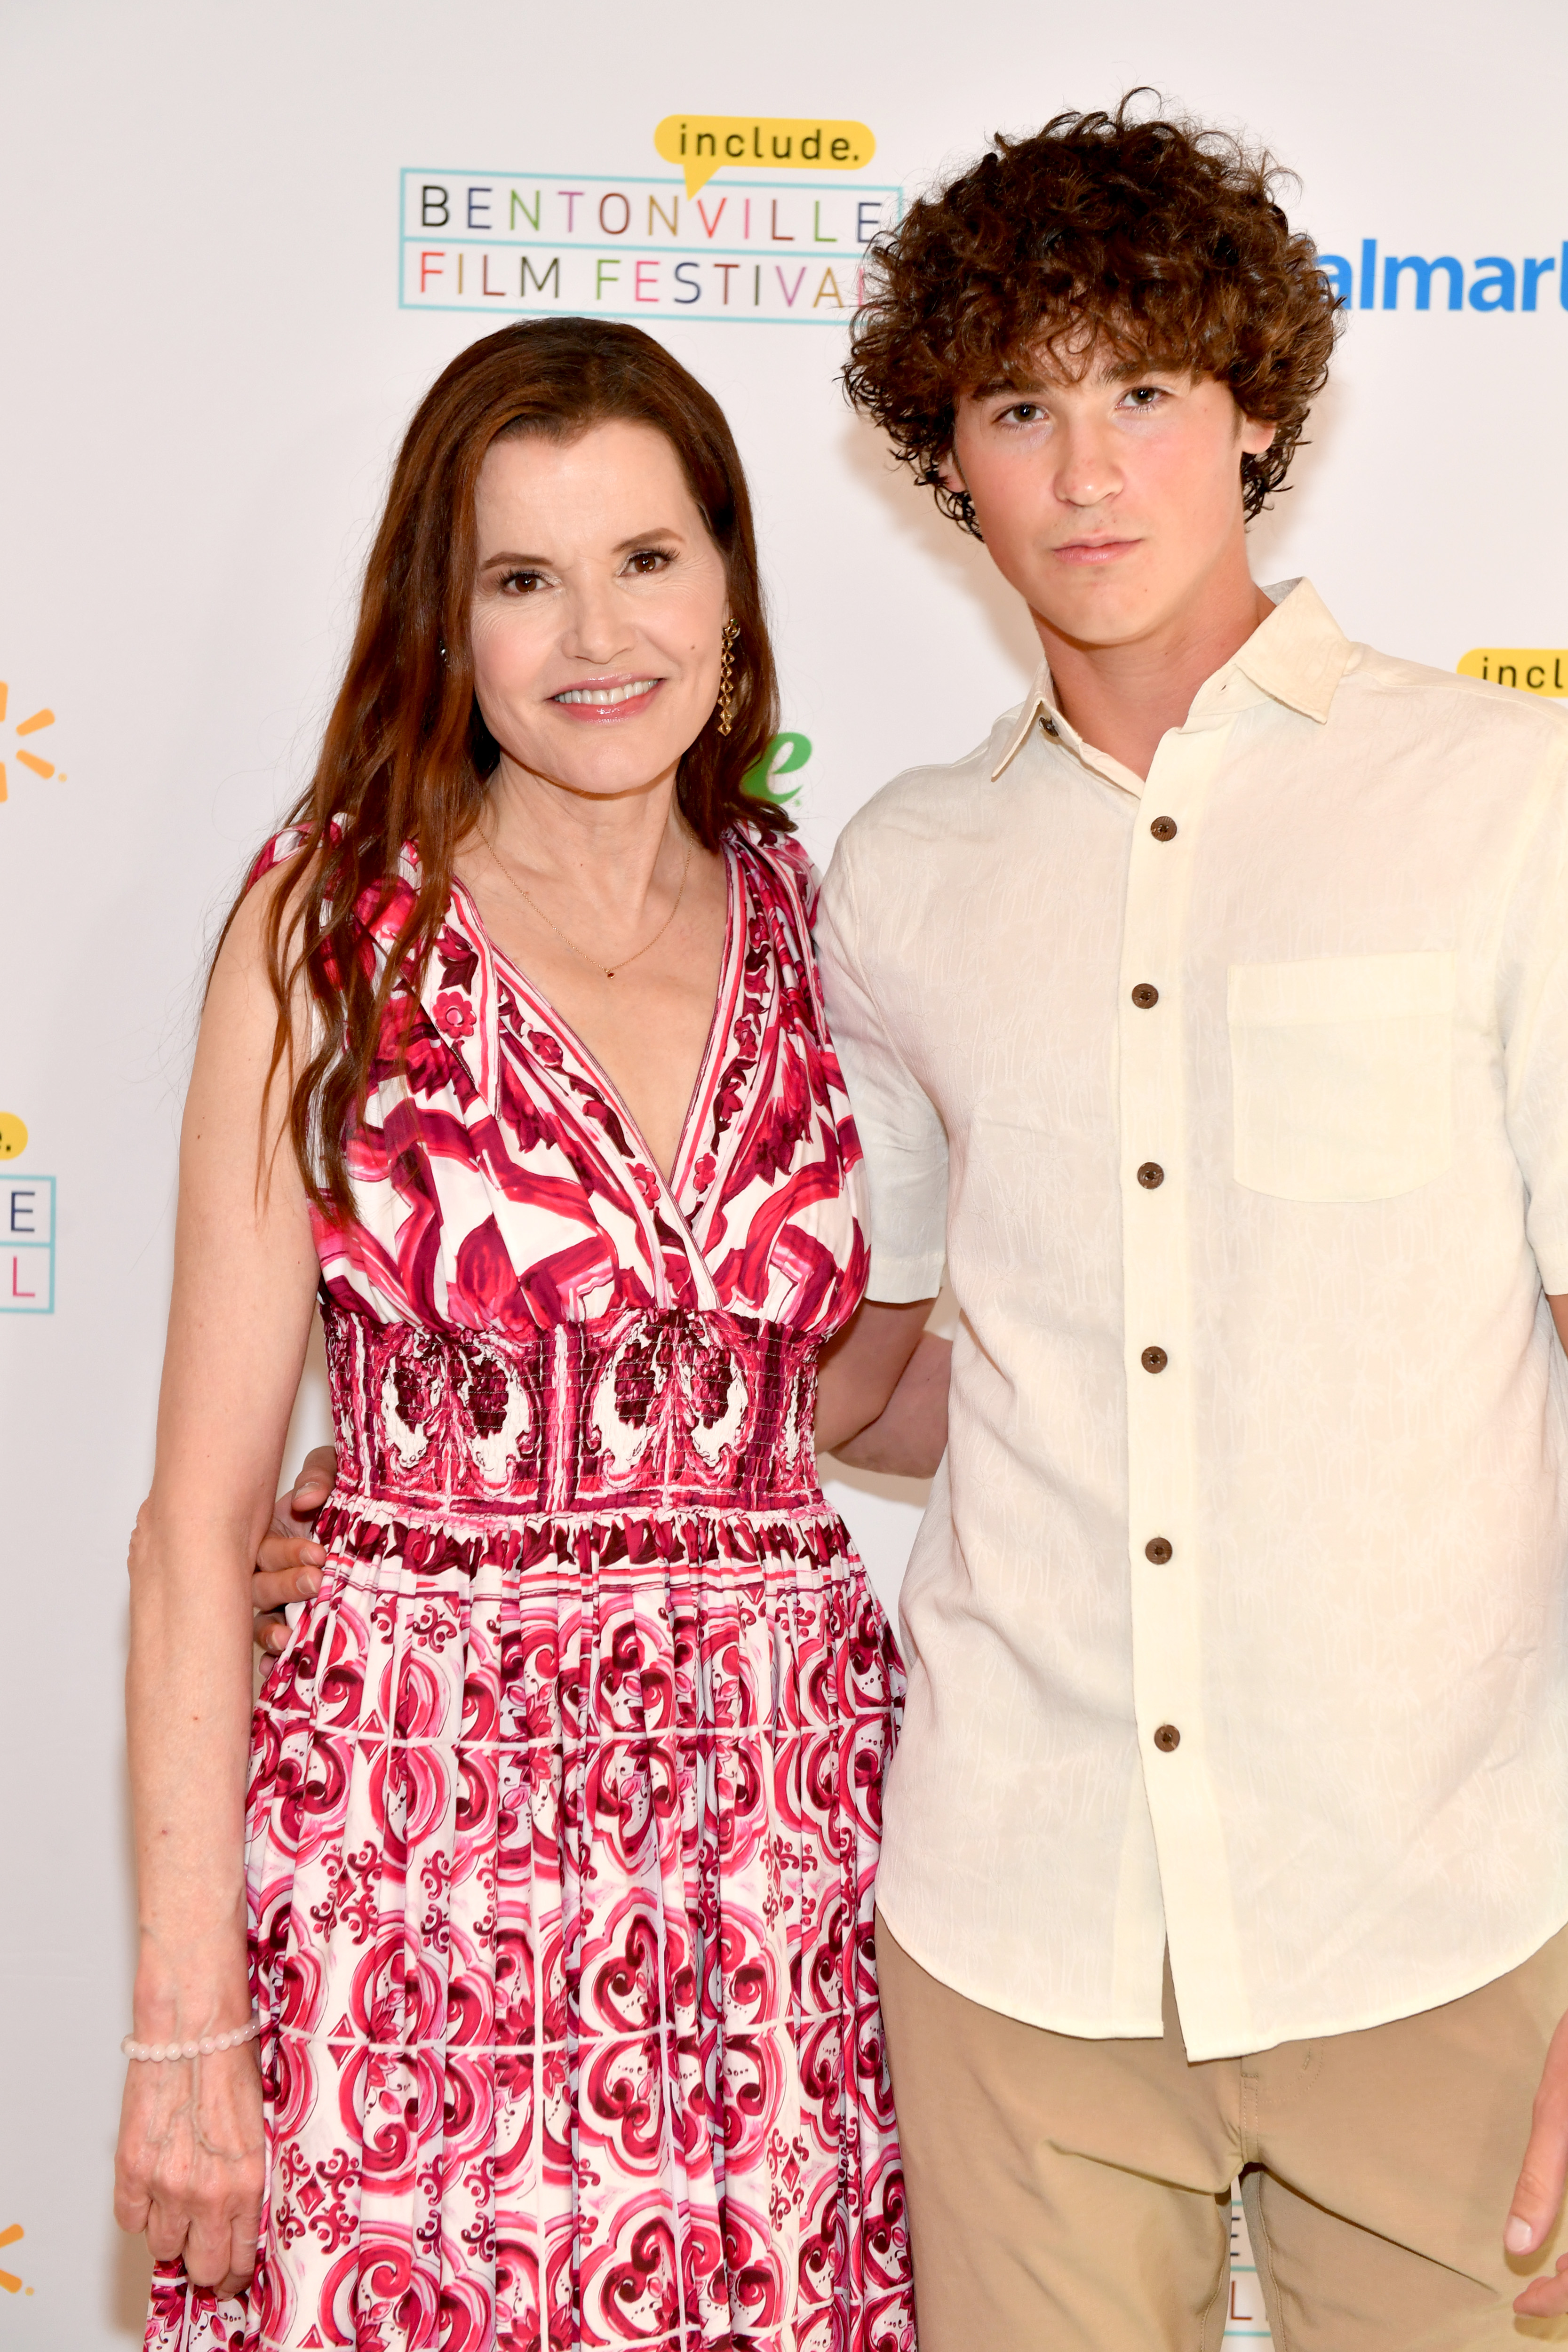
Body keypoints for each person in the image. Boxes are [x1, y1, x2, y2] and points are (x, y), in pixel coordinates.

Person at [830, 98, 1568, 2349]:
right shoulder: (903, 871)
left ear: (1255, 406)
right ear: (945, 454)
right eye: (1021, 405)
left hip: (1438, 1915)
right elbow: (885, 1367)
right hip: (1019, 1920)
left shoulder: (1500, 802)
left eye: (1145, 387)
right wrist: (474, 1499)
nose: (1087, 469)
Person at [114, 316, 928, 2352]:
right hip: (416, 1840)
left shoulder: (826, 928)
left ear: (732, 585)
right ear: (446, 618)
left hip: (781, 1848)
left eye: (648, 559)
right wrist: (184, 2012)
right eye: (523, 576)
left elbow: (849, 1388)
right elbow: (194, 1528)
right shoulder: (327, 931)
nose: (598, 633)